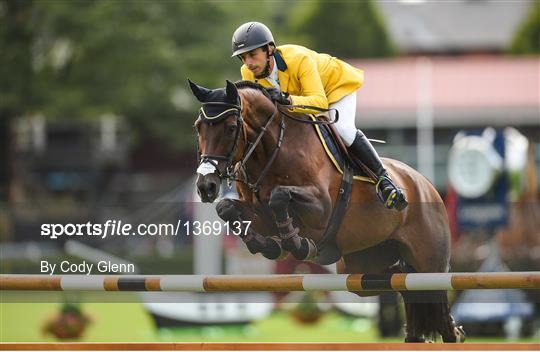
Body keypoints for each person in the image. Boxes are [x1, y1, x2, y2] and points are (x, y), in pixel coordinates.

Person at [231, 22, 407, 211]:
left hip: (335, 87)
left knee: (343, 129)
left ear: (270, 49)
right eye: (243, 57)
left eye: (252, 55)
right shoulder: (247, 73)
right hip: (300, 99)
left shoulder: (299, 58)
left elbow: (319, 103)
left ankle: (384, 181)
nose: (248, 62)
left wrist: (286, 99)